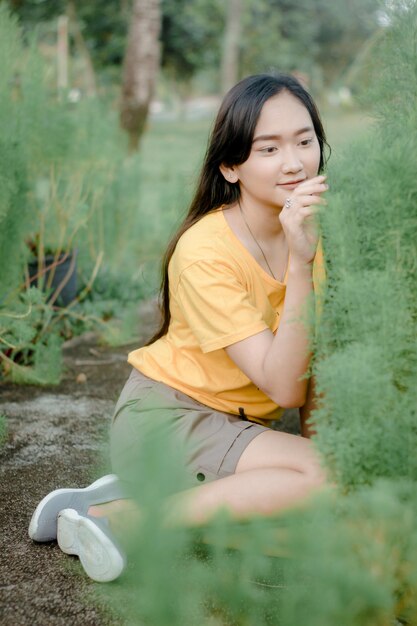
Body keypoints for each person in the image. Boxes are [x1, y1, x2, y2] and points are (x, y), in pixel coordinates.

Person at [29, 73, 331, 582]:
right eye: (269, 148)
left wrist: (321, 444)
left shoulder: (316, 230)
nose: (295, 162)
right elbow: (284, 385)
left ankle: (137, 489)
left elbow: (317, 362)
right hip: (167, 417)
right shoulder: (205, 251)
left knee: (331, 471)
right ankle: (127, 518)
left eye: (305, 141)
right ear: (230, 166)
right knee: (326, 477)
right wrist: (301, 264)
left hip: (232, 424)